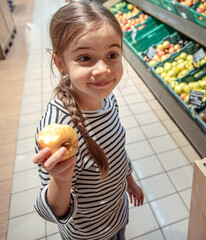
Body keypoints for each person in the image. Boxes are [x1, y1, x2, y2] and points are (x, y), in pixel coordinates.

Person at [32, 2, 144, 240]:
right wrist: (61, 179)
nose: (103, 69)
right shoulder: (57, 129)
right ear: (60, 63)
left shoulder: (107, 98)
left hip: (116, 215)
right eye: (85, 58)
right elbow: (53, 211)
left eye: (112, 55)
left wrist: (130, 182)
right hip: (88, 234)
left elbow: (116, 150)